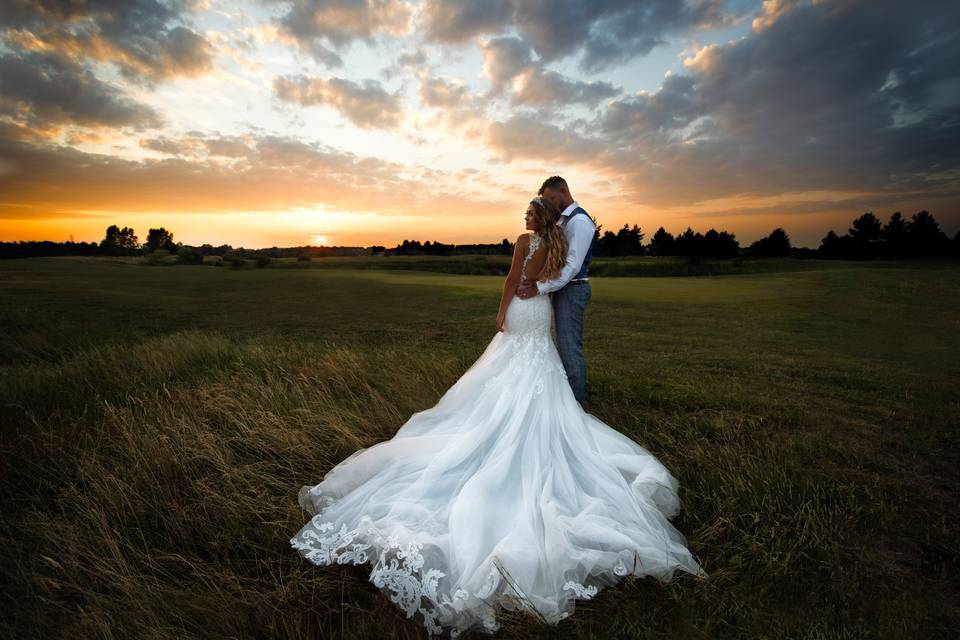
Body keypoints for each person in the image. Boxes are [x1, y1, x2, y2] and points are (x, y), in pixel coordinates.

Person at [289, 196, 705, 638]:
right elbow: (551, 279)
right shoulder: (557, 240)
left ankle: (496, 425)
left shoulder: (527, 240)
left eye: (528, 213)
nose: (524, 218)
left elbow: (513, 278)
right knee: (537, 369)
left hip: (524, 310)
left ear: (536, 218)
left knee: (507, 373)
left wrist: (502, 309)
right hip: (540, 312)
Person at [516, 176, 594, 408]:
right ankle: (564, 400)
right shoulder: (564, 221)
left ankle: (577, 407)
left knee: (569, 348)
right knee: (562, 347)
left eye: (551, 199)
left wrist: (540, 287)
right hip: (562, 289)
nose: (549, 205)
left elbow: (571, 266)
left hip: (573, 289)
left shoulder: (579, 221)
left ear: (562, 191)